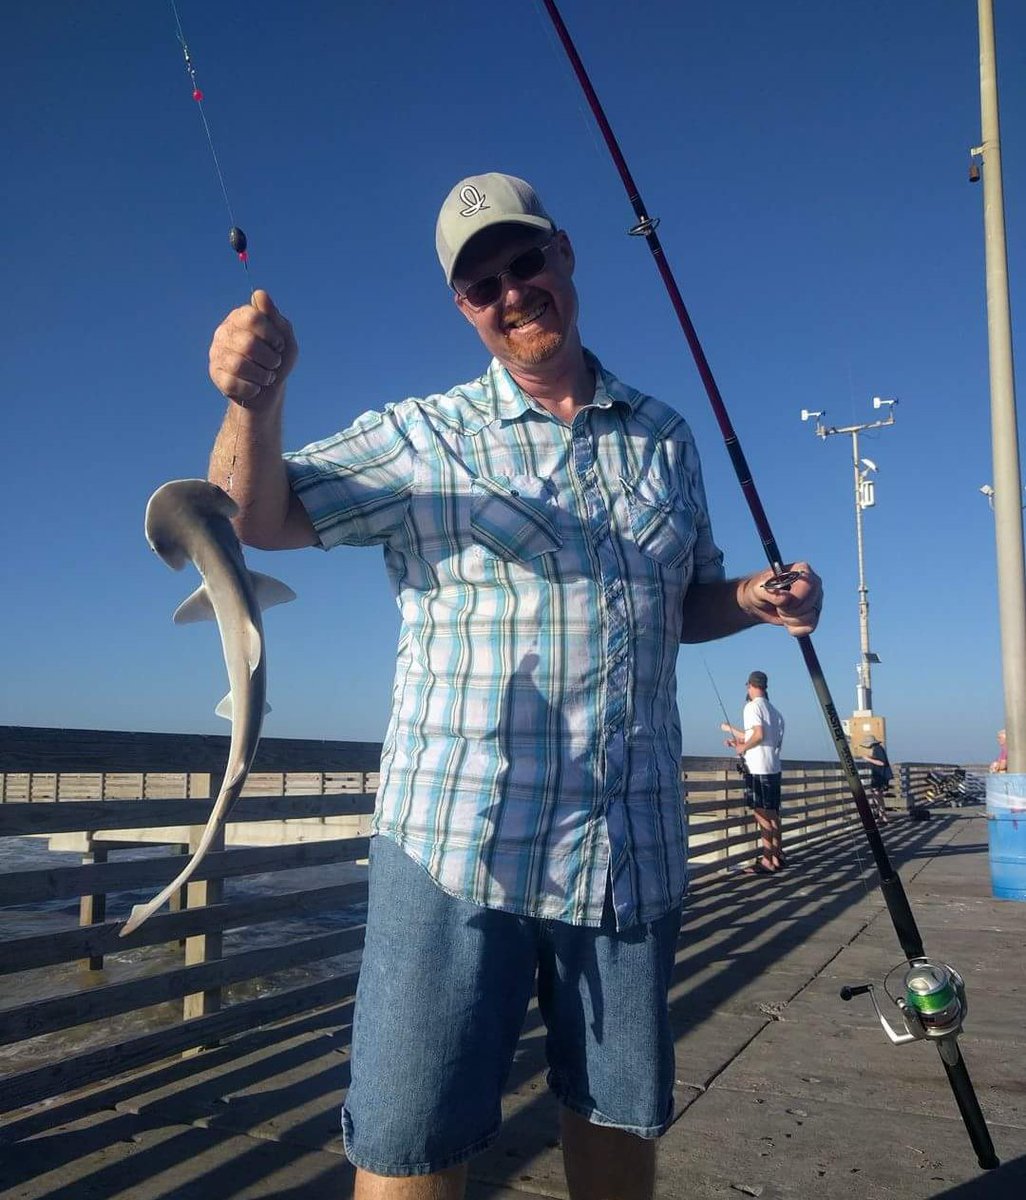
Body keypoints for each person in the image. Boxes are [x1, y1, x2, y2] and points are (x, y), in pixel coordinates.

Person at [205, 172, 823, 1200]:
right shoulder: (424, 434)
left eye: (523, 262)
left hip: (629, 847)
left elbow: (684, 602)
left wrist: (755, 596)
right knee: (410, 1144)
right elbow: (249, 516)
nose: (511, 292)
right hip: (453, 844)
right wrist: (252, 402)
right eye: (481, 283)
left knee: (617, 1117)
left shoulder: (664, 436)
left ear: (564, 255)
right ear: (463, 307)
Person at [724, 671, 786, 873]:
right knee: (773, 813)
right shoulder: (775, 712)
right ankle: (777, 856)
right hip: (774, 767)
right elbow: (767, 739)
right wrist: (740, 741)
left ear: (750, 686)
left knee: (761, 814)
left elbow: (758, 735)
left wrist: (742, 748)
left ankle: (767, 860)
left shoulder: (752, 707)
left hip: (758, 768)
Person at [859, 736, 892, 824]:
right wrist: (871, 757)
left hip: (880, 776)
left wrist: (868, 759)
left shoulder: (878, 749)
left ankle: (884, 817)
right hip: (881, 776)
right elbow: (879, 760)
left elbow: (881, 763)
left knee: (877, 796)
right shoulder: (878, 748)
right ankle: (883, 816)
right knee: (878, 797)